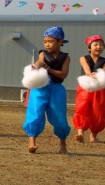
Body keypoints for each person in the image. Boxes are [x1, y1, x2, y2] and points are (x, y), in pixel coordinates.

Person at [23, 26, 71, 154]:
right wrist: (35, 67)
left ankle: (62, 144)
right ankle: (32, 142)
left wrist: (49, 69)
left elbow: (63, 74)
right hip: (40, 88)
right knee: (35, 113)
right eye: (45, 41)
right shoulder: (43, 53)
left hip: (57, 90)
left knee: (59, 117)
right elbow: (39, 62)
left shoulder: (66, 58)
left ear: (60, 42)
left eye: (50, 41)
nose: (47, 44)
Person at [73, 35, 105, 143]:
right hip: (85, 87)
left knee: (98, 111)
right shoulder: (83, 58)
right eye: (96, 44)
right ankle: (80, 132)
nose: (99, 47)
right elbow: (86, 69)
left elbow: (104, 73)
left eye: (101, 45)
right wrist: (90, 74)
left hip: (99, 88)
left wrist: (98, 75)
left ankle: (93, 135)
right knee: (82, 108)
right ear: (89, 47)